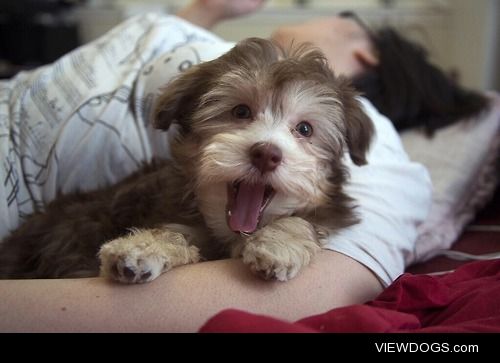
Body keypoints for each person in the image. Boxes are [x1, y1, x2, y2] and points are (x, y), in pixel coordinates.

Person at [0, 0, 462, 332]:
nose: (269, 144)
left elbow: (315, 290)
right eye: (242, 113)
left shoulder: (377, 150)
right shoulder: (219, 55)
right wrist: (205, 11)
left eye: (303, 130)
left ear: (366, 53)